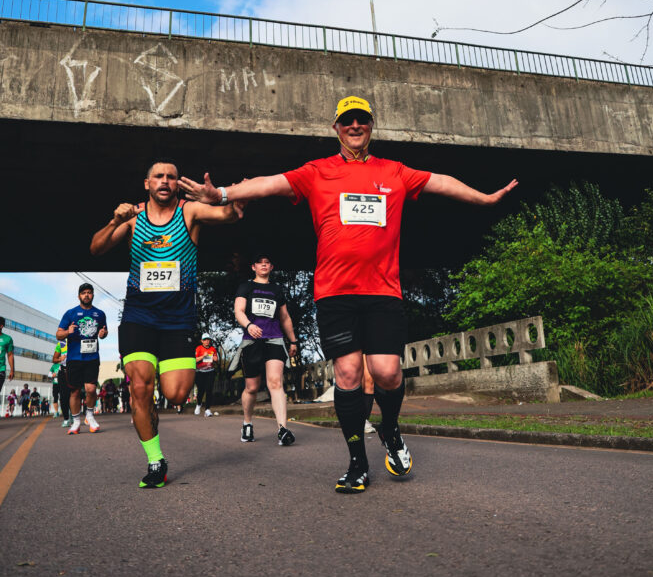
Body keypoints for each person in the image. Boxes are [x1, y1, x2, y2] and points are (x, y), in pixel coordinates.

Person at [179, 94, 517, 494]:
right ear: (336, 128)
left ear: (371, 126)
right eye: (347, 121)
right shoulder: (317, 172)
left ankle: (389, 431)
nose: (355, 126)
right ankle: (358, 462)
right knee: (349, 374)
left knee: (388, 372)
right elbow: (269, 184)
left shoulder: (395, 172)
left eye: (362, 120)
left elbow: (440, 182)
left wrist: (484, 198)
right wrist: (221, 196)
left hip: (383, 291)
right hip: (335, 294)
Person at [90, 157, 243, 489]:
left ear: (177, 184)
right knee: (140, 389)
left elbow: (230, 214)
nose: (164, 181)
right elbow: (96, 248)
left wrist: (219, 196)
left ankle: (154, 407)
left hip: (178, 320)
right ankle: (156, 460)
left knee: (176, 395)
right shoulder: (132, 218)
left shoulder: (190, 212)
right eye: (158, 176)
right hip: (138, 318)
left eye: (171, 177)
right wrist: (113, 219)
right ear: (147, 183)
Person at [232, 253, 298, 446]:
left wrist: (293, 341)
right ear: (253, 267)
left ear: (271, 267)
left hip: (274, 340)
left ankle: (282, 429)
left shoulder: (277, 290)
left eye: (267, 262)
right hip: (252, 341)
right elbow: (239, 311)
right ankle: (247, 423)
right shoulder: (246, 286)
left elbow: (285, 318)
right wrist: (248, 325)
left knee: (276, 382)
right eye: (259, 263)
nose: (263, 265)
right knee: (251, 388)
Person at [57, 283, 108, 434]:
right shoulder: (70, 313)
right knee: (75, 392)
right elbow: (58, 334)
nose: (86, 295)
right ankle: (76, 422)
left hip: (92, 357)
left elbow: (104, 332)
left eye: (89, 293)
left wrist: (103, 334)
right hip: (74, 358)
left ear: (93, 295)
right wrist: (68, 331)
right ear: (79, 296)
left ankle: (90, 416)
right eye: (83, 293)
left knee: (91, 389)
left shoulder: (100, 314)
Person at [194, 334, 218, 417]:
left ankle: (207, 409)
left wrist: (215, 358)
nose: (207, 341)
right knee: (201, 390)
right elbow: (195, 360)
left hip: (210, 372)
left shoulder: (213, 349)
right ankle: (199, 404)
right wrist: (203, 356)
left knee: (209, 390)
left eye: (208, 339)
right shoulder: (199, 348)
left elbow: (215, 358)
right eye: (205, 339)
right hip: (200, 372)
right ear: (202, 341)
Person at [50, 339, 71, 425]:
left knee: (73, 395)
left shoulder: (77, 340)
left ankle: (73, 415)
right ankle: (66, 418)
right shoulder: (61, 343)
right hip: (63, 372)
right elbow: (54, 359)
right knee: (63, 396)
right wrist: (60, 359)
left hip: (75, 371)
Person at [0, 317, 14, 396]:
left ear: (1, 326)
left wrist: (12, 370)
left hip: (0, 370)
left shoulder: (7, 339)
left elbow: (10, 355)